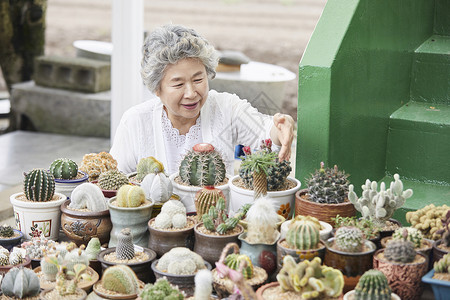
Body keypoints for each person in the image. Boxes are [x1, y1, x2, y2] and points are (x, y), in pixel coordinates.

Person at [110, 24, 294, 176]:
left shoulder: (226, 108)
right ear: (157, 88)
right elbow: (113, 180)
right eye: (178, 84)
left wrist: (281, 127)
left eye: (198, 79)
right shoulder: (135, 121)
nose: (191, 93)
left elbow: (265, 131)